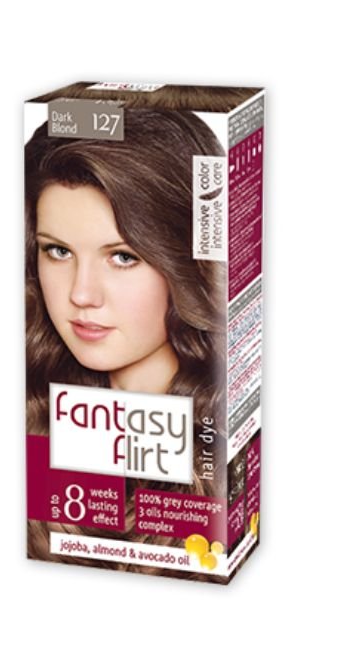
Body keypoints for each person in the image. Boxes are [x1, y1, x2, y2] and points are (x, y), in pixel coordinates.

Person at [25, 108, 227, 578]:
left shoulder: (226, 442)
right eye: (58, 251)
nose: (81, 295)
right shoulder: (32, 413)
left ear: (187, 263)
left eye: (122, 257)